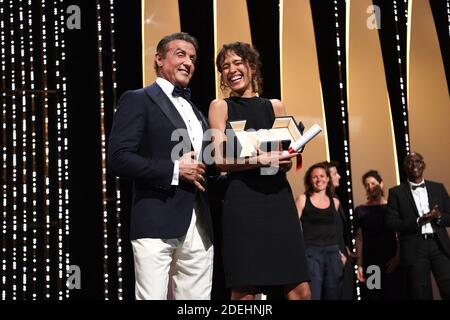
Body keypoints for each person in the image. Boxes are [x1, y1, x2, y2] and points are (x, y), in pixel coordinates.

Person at [108, 32, 215, 300]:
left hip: (199, 225)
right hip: (155, 219)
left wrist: (260, 162)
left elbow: (207, 167)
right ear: (158, 59)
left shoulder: (197, 112)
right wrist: (175, 170)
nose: (188, 62)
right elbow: (119, 158)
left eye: (192, 58)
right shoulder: (138, 99)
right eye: (180, 54)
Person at [208, 42, 311, 300]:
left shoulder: (275, 106)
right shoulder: (220, 107)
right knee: (244, 289)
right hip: (242, 203)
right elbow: (219, 160)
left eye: (237, 63)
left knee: (300, 289)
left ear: (251, 66)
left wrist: (286, 160)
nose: (231, 70)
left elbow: (285, 154)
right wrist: (260, 160)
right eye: (224, 67)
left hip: (278, 200)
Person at [386, 152, 450, 300]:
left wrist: (438, 216)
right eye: (409, 162)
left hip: (439, 245)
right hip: (414, 247)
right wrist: (418, 221)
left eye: (417, 161)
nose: (414, 165)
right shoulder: (396, 192)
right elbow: (391, 222)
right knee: (420, 293)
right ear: (404, 168)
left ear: (423, 165)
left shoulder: (438, 188)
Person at [296, 162, 346, 300]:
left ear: (328, 179)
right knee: (314, 295)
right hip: (311, 254)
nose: (319, 180)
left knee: (334, 296)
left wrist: (340, 252)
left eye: (322, 176)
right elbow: (294, 229)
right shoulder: (303, 199)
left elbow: (334, 230)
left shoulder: (335, 202)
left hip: (332, 254)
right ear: (309, 180)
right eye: (315, 177)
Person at [354, 170, 405, 300]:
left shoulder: (391, 207)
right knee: (374, 296)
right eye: (367, 184)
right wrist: (359, 264)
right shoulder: (360, 210)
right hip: (371, 262)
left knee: (394, 294)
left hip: (390, 259)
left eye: (373, 183)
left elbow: (400, 235)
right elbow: (359, 239)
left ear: (381, 184)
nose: (370, 187)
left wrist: (397, 257)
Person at [322, 161, 355, 300]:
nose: (339, 176)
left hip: (342, 254)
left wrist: (347, 249)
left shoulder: (336, 199)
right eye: (335, 174)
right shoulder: (322, 202)